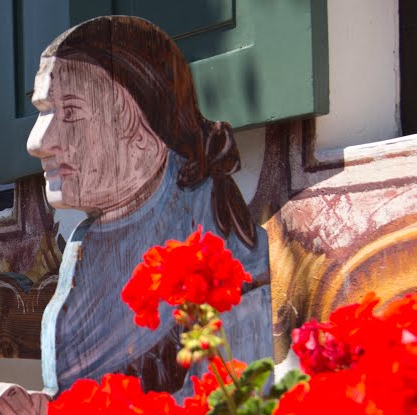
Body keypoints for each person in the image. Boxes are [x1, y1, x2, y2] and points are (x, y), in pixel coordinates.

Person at [28, 15, 271, 395]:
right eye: (42, 112)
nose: (37, 142)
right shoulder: (88, 243)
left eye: (70, 112)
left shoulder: (214, 243)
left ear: (140, 130)